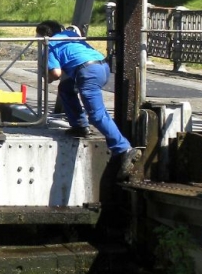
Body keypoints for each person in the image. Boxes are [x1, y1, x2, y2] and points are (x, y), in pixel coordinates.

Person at [36, 20, 142, 180]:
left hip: (87, 72)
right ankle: (79, 125)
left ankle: (124, 149)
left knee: (96, 114)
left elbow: (56, 73)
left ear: (43, 36)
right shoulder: (69, 34)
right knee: (66, 88)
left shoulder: (49, 44)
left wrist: (46, 76)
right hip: (102, 67)